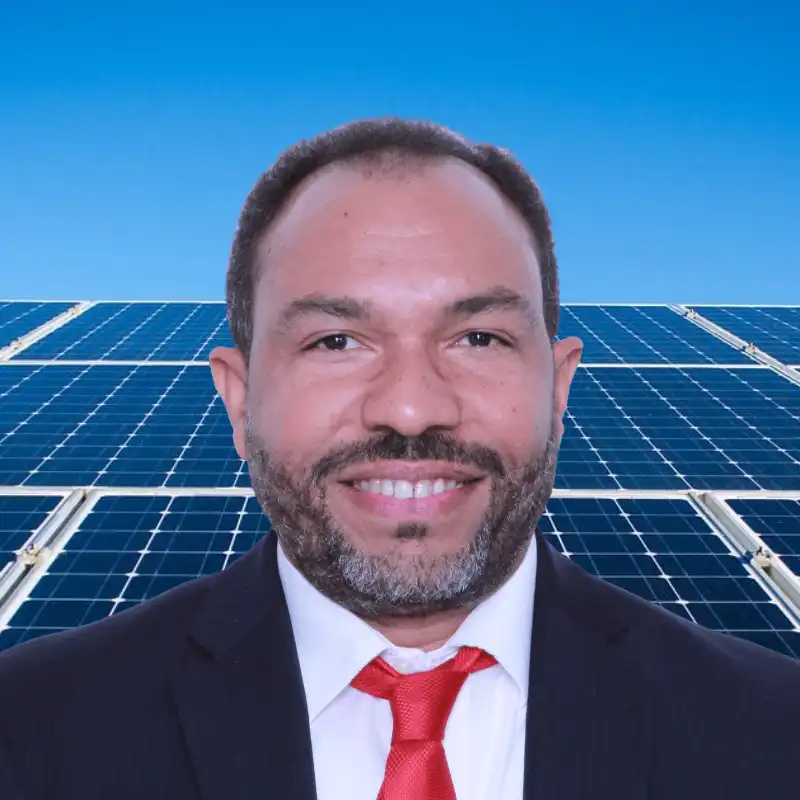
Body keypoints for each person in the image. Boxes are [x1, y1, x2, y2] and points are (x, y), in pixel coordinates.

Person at [0, 117, 798, 800]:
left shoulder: (772, 735)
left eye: (477, 337)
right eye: (336, 341)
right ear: (240, 400)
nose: (411, 408)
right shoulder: (30, 733)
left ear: (558, 389)